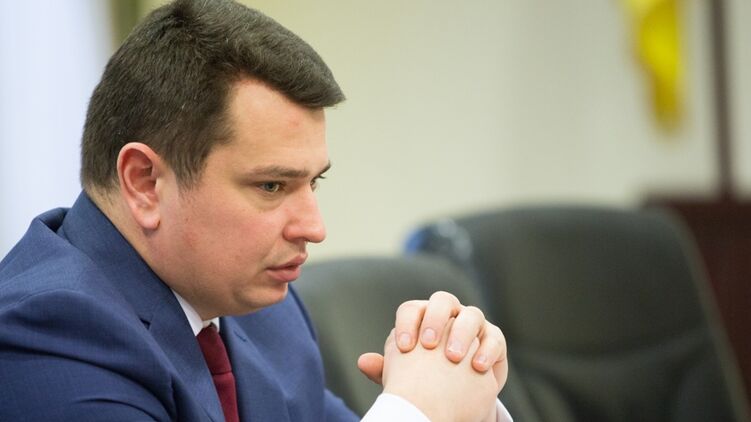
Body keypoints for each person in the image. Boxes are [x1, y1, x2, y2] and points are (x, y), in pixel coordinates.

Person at [0, 0, 511, 421]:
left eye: (314, 182)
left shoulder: (267, 314)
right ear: (145, 182)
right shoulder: (45, 332)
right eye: (271, 185)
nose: (315, 228)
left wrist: (466, 397)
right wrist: (413, 413)